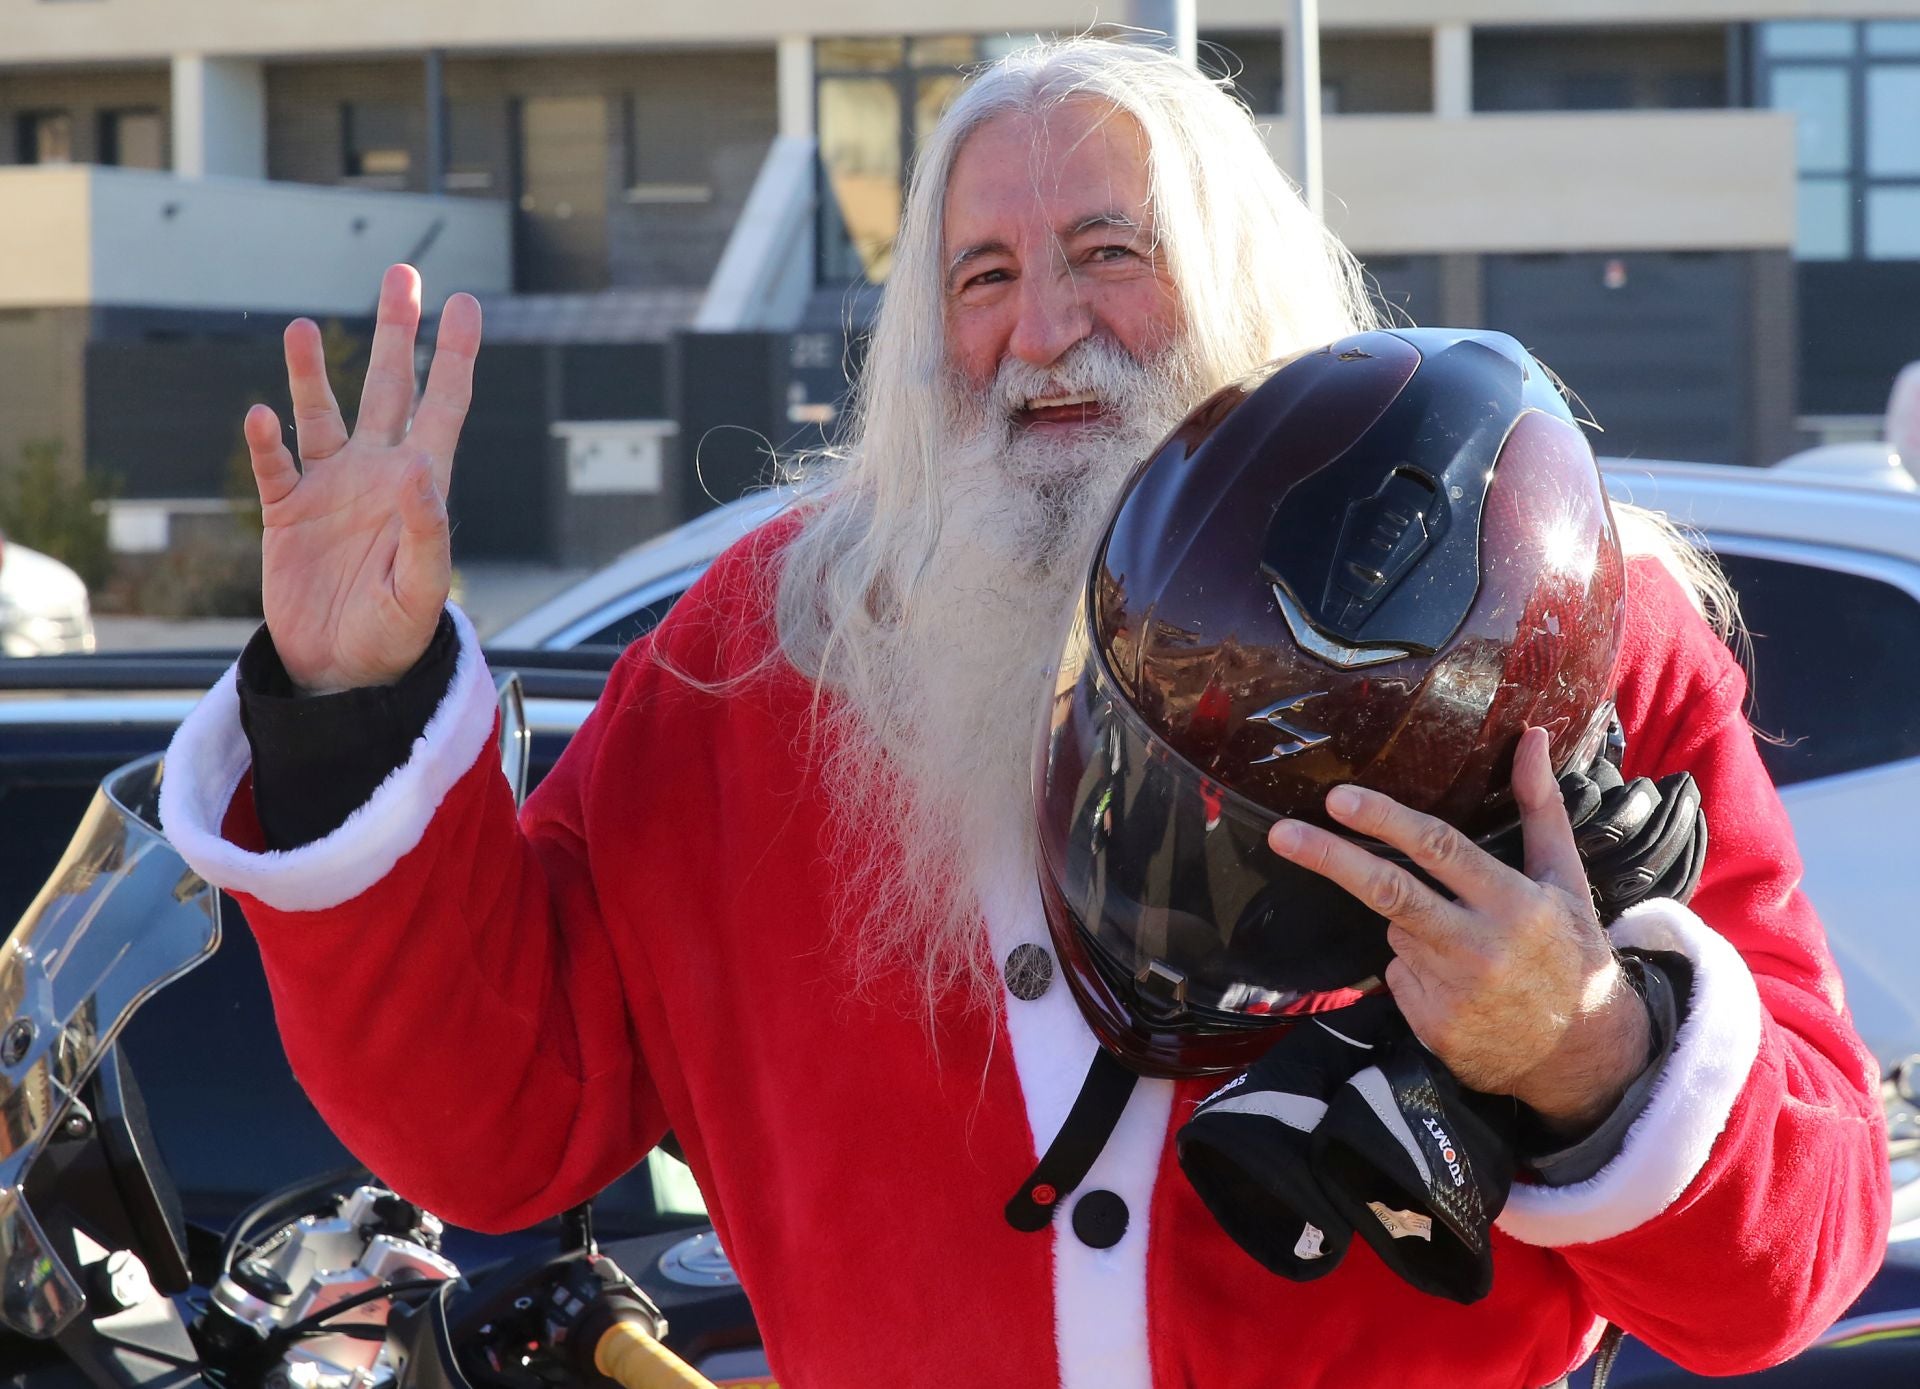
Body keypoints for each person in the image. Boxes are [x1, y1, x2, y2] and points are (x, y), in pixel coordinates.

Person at [160, 38, 1887, 1389]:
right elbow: (502, 1109)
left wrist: (1585, 1047)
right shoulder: (763, 658)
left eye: (1107, 253)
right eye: (980, 276)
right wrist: (349, 694)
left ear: (1246, 285)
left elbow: (1789, 1265)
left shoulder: (1541, 611)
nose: (1043, 332)